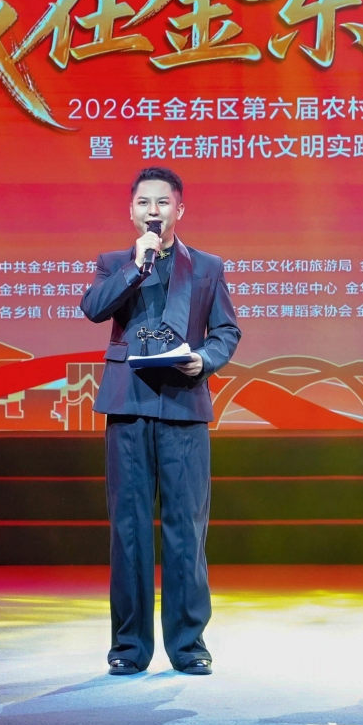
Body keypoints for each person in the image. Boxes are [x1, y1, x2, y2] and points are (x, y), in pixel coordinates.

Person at [80, 167, 241, 676]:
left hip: (183, 405)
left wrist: (205, 359)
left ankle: (189, 645)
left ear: (179, 210)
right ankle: (129, 647)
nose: (154, 211)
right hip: (127, 405)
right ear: (132, 211)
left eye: (163, 203)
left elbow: (226, 331)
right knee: (128, 530)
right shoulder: (114, 263)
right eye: (144, 203)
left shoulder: (207, 267)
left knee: (185, 529)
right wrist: (136, 265)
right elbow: (93, 309)